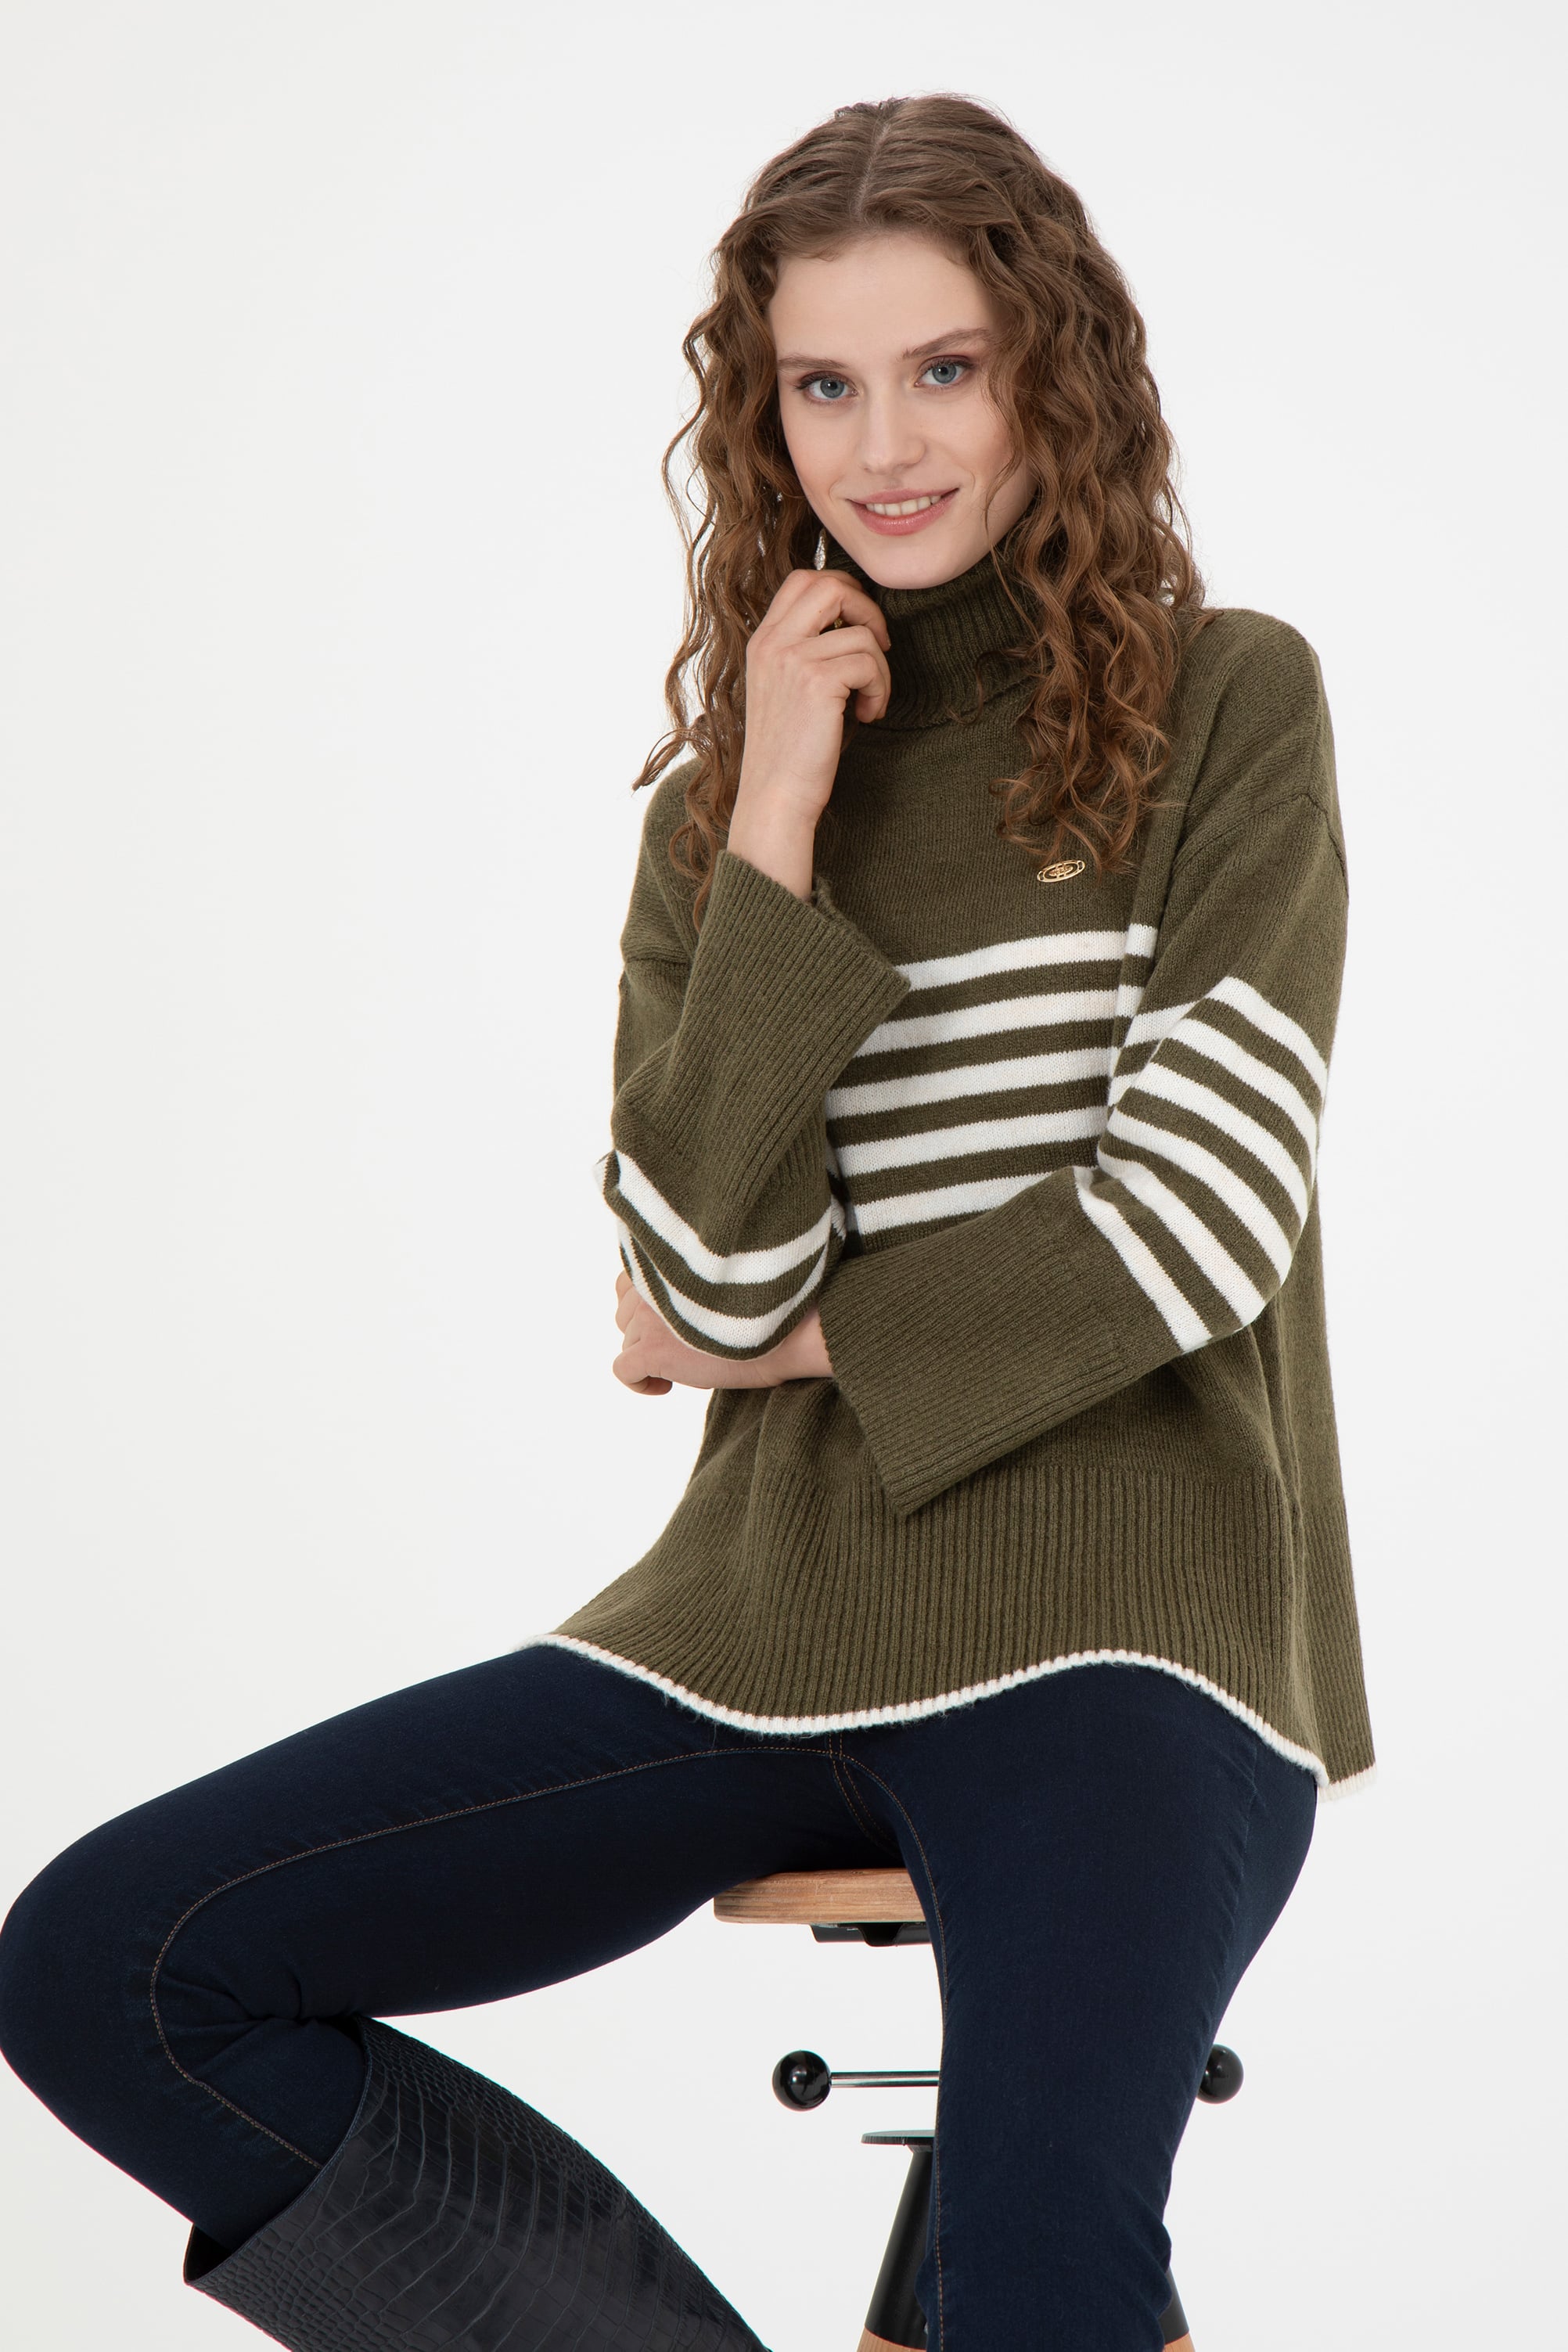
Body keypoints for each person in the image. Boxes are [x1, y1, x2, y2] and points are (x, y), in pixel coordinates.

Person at [0, 92, 1374, 2352]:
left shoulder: (1229, 704)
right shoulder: (726, 818)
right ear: (763, 416)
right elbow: (715, 1267)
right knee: (114, 1966)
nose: (883, 445)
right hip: (764, 1621)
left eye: (943, 368)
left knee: (1042, 2283)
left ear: (1053, 373)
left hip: (1130, 1630)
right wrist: (775, 814)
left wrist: (793, 1348)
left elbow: (1191, 1222)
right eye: (823, 384)